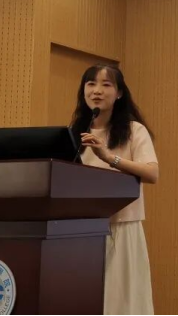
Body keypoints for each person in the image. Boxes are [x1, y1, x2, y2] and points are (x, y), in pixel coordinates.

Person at [70, 64, 159, 315]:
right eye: (91, 84)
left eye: (106, 84)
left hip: (122, 227)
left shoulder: (134, 130)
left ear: (119, 93)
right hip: (82, 230)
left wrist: (109, 158)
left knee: (122, 302)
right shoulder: (75, 132)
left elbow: (152, 173)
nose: (97, 91)